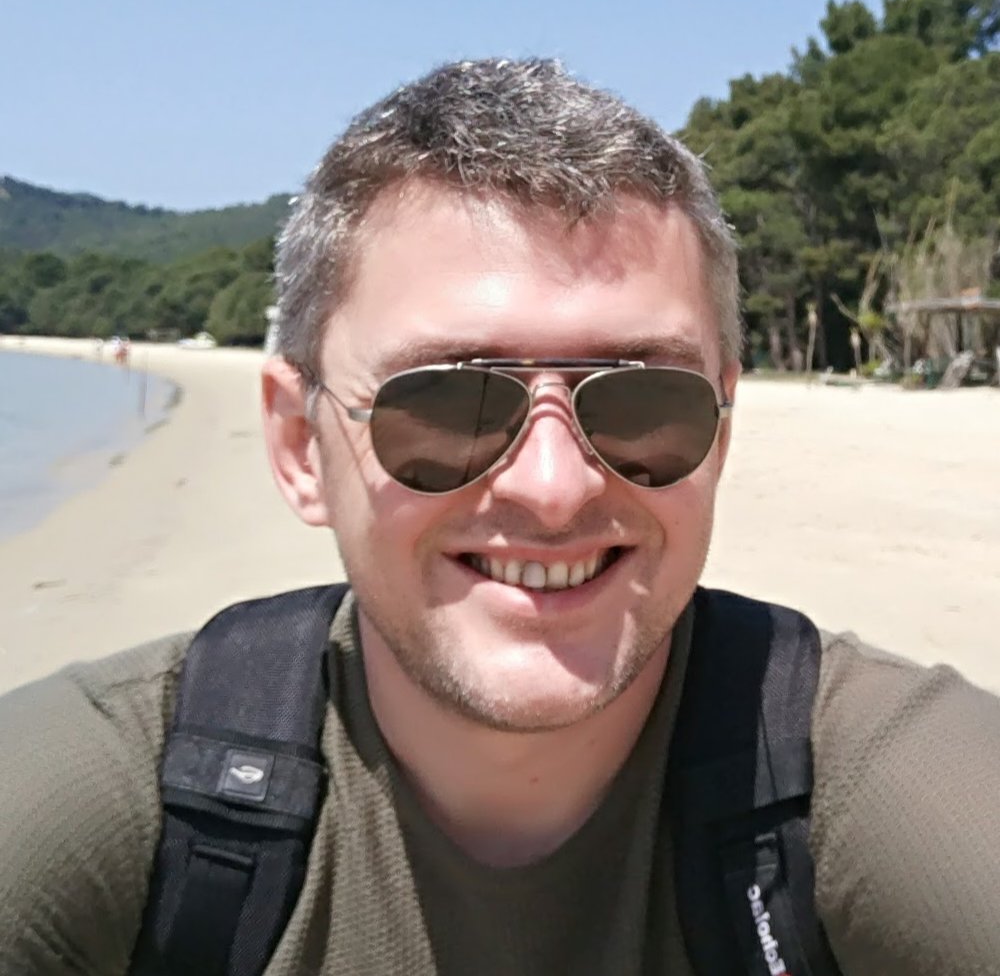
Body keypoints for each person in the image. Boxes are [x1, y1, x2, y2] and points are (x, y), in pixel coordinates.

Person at [2, 58, 999, 976]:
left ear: (722, 430)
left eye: (643, 399)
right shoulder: (103, 794)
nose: (554, 487)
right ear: (302, 446)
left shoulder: (875, 781)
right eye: (447, 402)